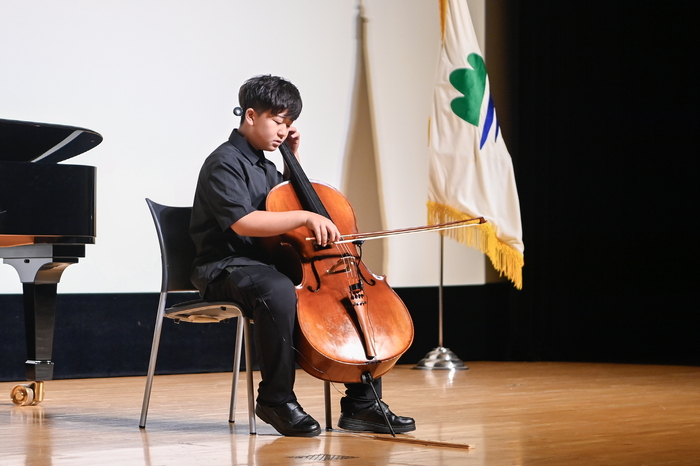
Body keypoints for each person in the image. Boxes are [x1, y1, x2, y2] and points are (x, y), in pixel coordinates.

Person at [189, 75, 416, 437]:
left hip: (266, 264)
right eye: (278, 121)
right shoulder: (224, 162)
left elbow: (281, 203)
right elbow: (244, 222)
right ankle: (275, 399)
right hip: (226, 267)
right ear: (251, 115)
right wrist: (306, 217)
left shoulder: (267, 166)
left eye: (289, 124)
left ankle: (361, 404)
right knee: (277, 289)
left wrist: (292, 160)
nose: (283, 131)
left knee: (343, 292)